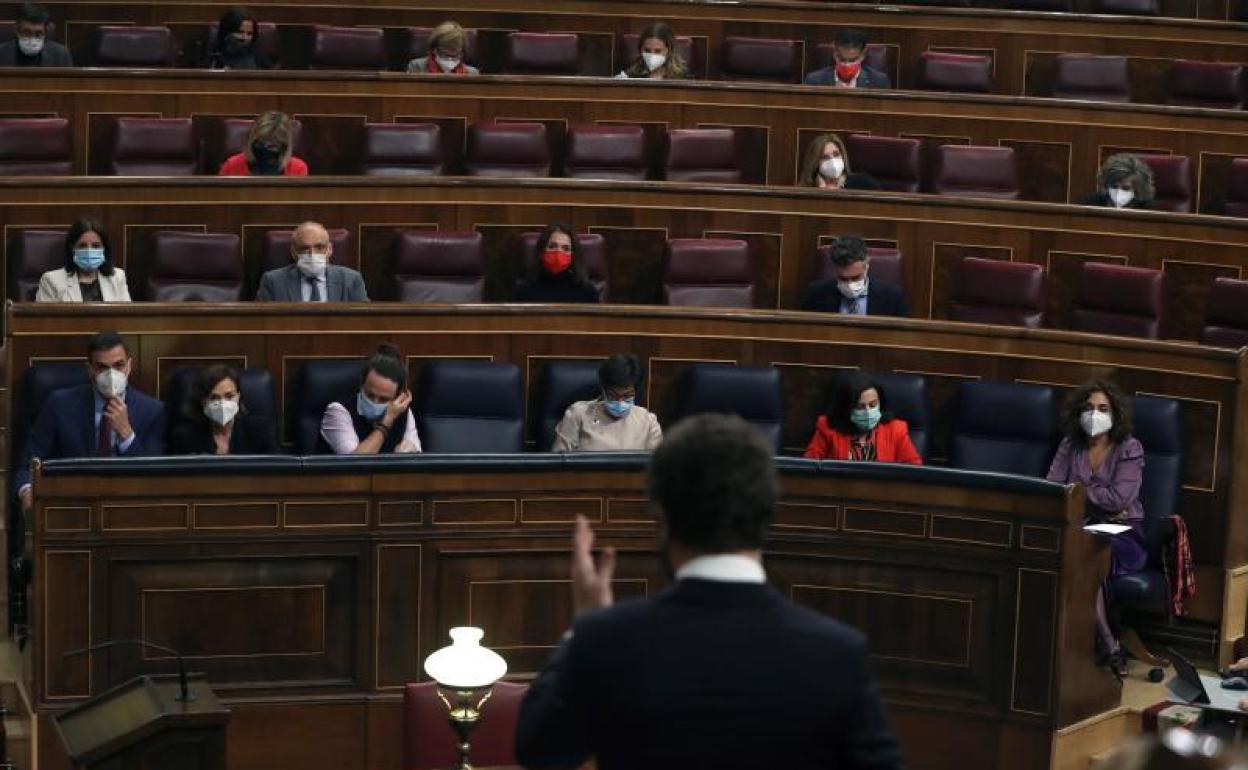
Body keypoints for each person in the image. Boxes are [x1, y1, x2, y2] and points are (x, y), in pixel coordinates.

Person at [516, 413, 905, 770]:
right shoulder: (837, 654)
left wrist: (580, 630)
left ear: (663, 520)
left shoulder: (608, 639)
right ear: (767, 516)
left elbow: (539, 750)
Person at [1046, 380, 1145, 671]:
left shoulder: (1129, 447)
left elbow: (1119, 500)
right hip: (1081, 528)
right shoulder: (1070, 444)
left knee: (1088, 557)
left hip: (1124, 535)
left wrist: (1076, 491)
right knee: (1077, 550)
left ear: (1115, 415)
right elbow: (1053, 488)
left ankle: (1107, 644)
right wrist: (1089, 497)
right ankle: (1091, 645)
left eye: (1103, 408)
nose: (1094, 413)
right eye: (1088, 408)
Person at [16, 331, 165, 514]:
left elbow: (154, 478)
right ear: (89, 369)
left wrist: (126, 434)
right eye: (102, 367)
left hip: (128, 509)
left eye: (119, 365)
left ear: (129, 366)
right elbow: (29, 462)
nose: (111, 374)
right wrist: (27, 492)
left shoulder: (152, 410)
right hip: (73, 507)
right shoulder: (59, 404)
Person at [320, 343, 421, 454]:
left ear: (397, 397)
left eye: (383, 399)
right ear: (361, 384)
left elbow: (414, 455)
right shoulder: (337, 411)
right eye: (370, 395)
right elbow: (355, 465)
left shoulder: (402, 412)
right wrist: (386, 422)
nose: (374, 402)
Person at [803, 370, 921, 464]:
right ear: (847, 408)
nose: (868, 411)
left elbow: (914, 471)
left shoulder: (896, 430)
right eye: (860, 406)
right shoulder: (827, 428)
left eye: (873, 404)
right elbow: (809, 469)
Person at [551, 354, 662, 452]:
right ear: (603, 389)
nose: (620, 401)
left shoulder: (648, 422)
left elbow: (657, 468)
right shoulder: (578, 414)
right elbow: (558, 464)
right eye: (612, 395)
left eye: (627, 395)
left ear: (636, 391)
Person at [170, 364, 279, 455]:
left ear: (238, 397)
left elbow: (276, 474)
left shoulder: (260, 431)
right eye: (214, 397)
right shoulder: (185, 436)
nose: (223, 403)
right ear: (202, 401)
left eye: (229, 396)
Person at [255, 221, 369, 302]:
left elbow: (364, 322)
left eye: (319, 247)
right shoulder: (272, 282)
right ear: (293, 252)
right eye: (304, 248)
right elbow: (262, 323)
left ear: (329, 249)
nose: (311, 254)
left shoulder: (351, 280)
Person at [800, 235, 908, 317]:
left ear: (867, 266)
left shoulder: (893, 297)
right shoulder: (816, 294)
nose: (850, 285)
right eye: (843, 279)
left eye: (856, 277)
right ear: (834, 269)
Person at [36, 217, 131, 302]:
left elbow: (126, 317)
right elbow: (44, 320)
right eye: (82, 246)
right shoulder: (51, 280)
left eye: (96, 246)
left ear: (104, 249)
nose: (89, 250)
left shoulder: (117, 277)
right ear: (72, 248)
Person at [514, 224, 600, 304]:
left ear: (574, 255)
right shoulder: (524, 292)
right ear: (541, 251)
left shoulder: (588, 293)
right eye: (552, 246)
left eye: (566, 248)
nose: (558, 252)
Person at [218, 110, 308, 176]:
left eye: (273, 145)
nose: (265, 148)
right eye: (261, 142)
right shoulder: (232, 165)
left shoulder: (298, 168)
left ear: (285, 146)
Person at [804, 29, 889, 89]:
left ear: (863, 55)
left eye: (853, 60)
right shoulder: (814, 80)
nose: (846, 65)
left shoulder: (878, 81)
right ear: (835, 53)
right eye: (842, 59)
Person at [796, 133, 879, 190]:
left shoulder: (864, 182)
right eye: (825, 157)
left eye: (836, 155)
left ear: (843, 156)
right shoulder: (807, 189)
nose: (832, 160)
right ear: (815, 163)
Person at [0, 3, 73, 67]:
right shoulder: (2, 53)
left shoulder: (61, 55)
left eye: (38, 33)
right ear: (16, 30)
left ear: (46, 31)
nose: (32, 39)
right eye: (26, 32)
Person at [616, 22, 690, 79]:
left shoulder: (682, 77)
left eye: (658, 51)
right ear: (641, 49)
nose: (652, 55)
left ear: (668, 50)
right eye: (647, 50)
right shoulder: (632, 74)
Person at [205, 7, 270, 71]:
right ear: (227, 32)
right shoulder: (214, 58)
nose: (245, 38)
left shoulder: (259, 59)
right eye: (240, 32)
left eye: (249, 34)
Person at [1086, 153, 1155, 210]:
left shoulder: (1148, 210)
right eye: (1114, 186)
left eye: (1126, 188)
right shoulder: (1091, 205)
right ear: (1106, 185)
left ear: (1137, 190)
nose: (1119, 192)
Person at [406, 21, 479, 75]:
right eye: (445, 55)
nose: (450, 60)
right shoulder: (416, 67)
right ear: (434, 49)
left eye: (454, 56)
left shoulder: (472, 73)